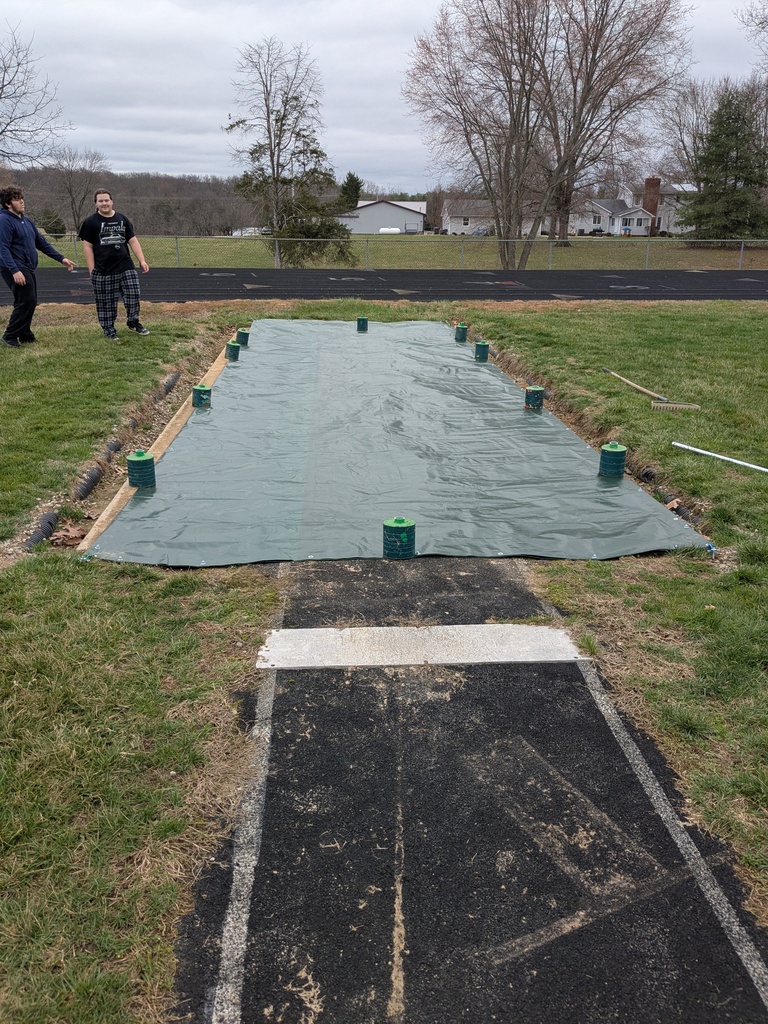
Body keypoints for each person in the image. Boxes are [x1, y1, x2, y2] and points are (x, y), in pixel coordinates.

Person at [0, 185, 76, 348]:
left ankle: (25, 333)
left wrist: (61, 258)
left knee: (28, 300)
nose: (21, 201)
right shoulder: (4, 220)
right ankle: (9, 336)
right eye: (17, 199)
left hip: (26, 266)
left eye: (22, 198)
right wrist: (15, 270)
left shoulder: (26, 221)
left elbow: (41, 243)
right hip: (14, 267)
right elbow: (3, 248)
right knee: (27, 300)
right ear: (8, 204)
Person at [78, 189, 150, 340]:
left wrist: (142, 260)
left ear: (112, 201)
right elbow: (87, 247)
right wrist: (92, 270)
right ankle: (109, 329)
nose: (104, 203)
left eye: (106, 200)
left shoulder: (122, 219)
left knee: (133, 295)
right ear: (96, 203)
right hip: (103, 269)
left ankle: (133, 322)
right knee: (106, 303)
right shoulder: (91, 223)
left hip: (125, 266)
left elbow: (133, 241)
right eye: (100, 201)